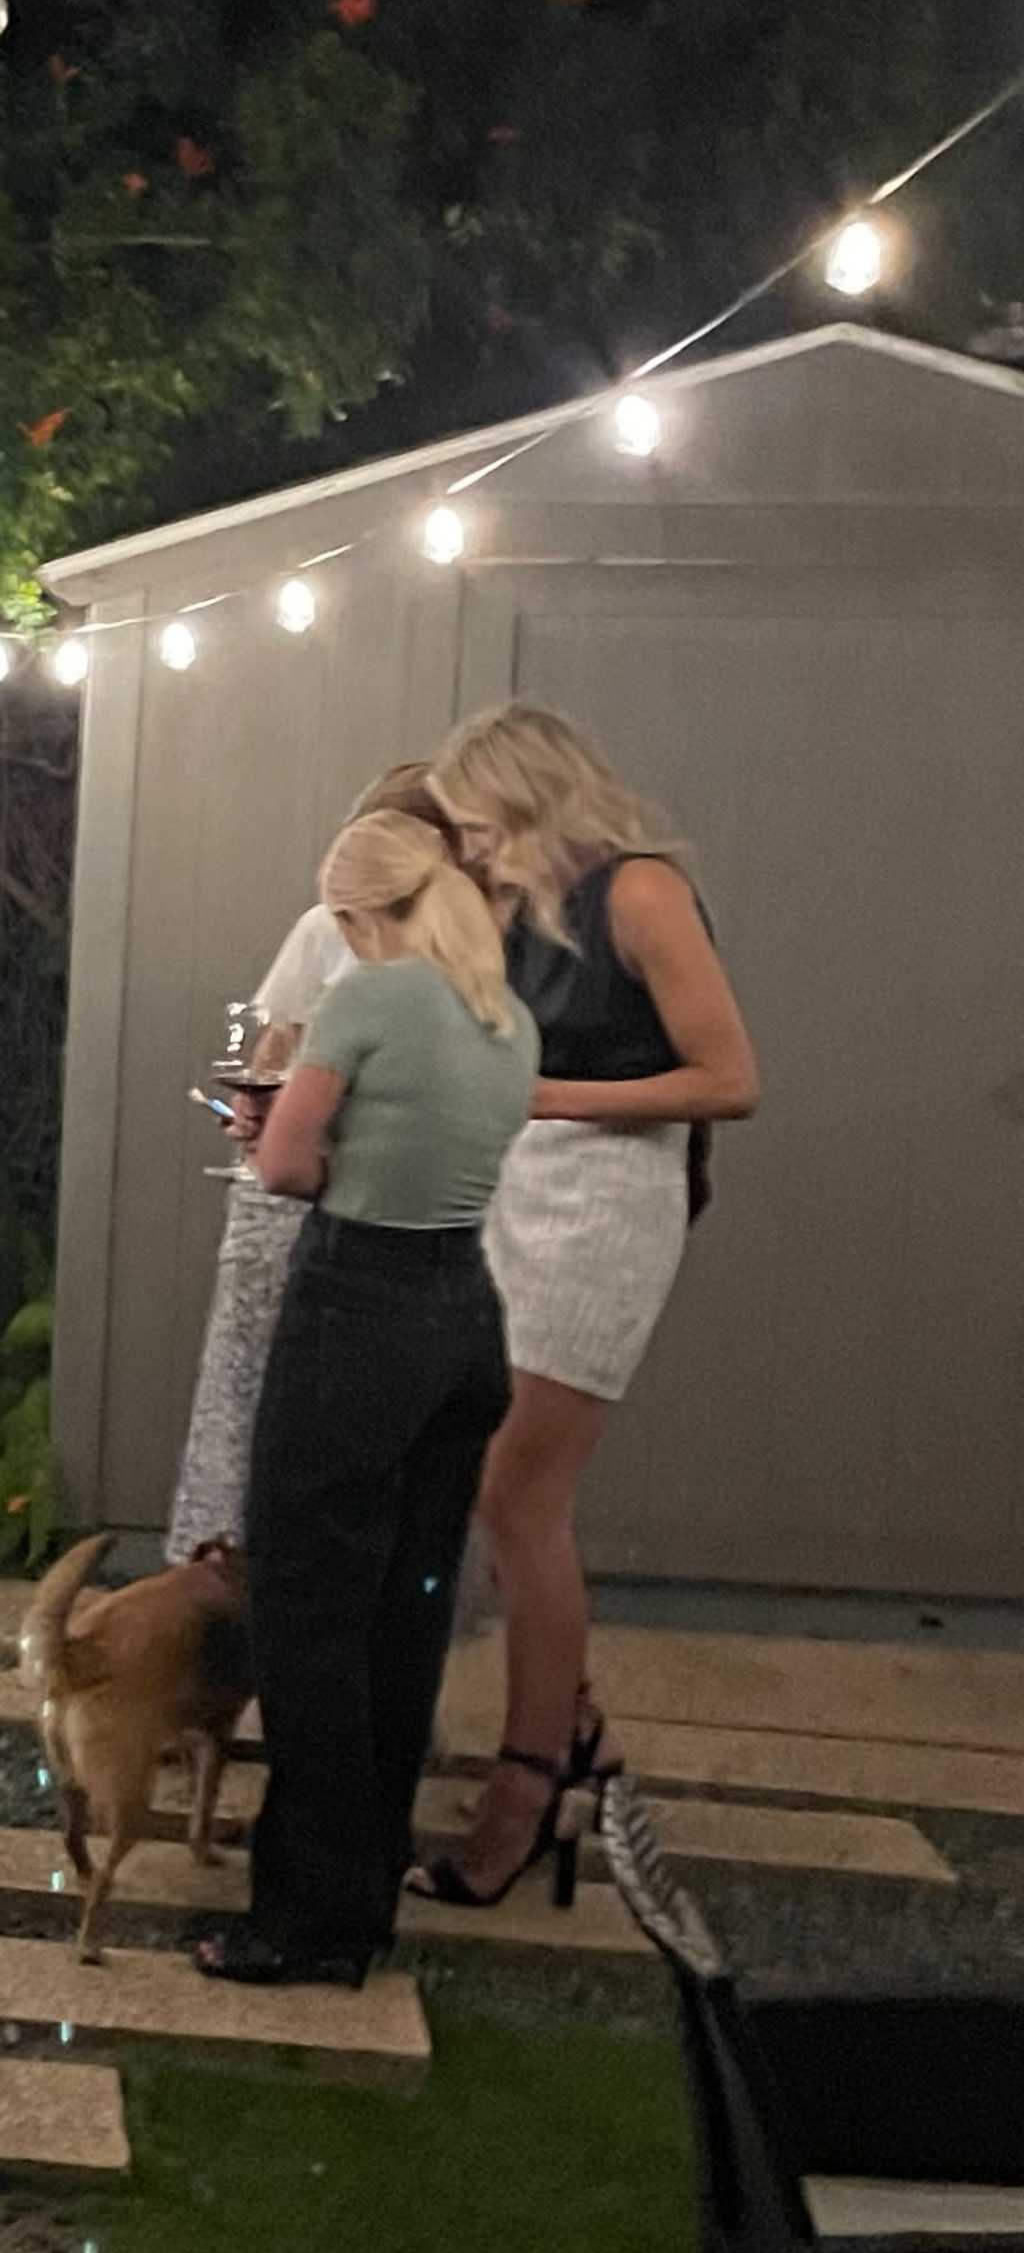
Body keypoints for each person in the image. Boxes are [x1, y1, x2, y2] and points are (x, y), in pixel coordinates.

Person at [411, 704, 760, 1908]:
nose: (471, 849)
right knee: (480, 1471)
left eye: (476, 825)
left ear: (525, 801)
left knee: (520, 1490)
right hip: (518, 1186)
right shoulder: (520, 910)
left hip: (606, 1197)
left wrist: (551, 1096)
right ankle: (576, 1726)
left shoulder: (638, 891)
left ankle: (529, 1781)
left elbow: (730, 1077)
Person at [201, 809, 536, 1988]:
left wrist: (283, 1132)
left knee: (307, 1611)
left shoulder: (369, 999)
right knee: (407, 1608)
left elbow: (283, 1163)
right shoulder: (507, 1014)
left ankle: (306, 1914)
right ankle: (371, 1879)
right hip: (465, 1315)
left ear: (353, 915)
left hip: (360, 1304)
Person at [162, 761, 461, 1562]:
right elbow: (266, 1038)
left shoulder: (475, 955)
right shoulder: (323, 929)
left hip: (393, 1207)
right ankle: (219, 1577)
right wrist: (250, 1108)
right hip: (288, 1194)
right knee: (244, 1392)